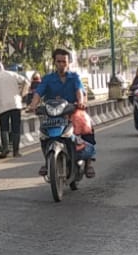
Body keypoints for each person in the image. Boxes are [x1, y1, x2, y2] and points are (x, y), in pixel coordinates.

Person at [26, 47, 95, 178]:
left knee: (87, 126)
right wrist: (33, 105)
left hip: (72, 111)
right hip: (52, 114)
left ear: (68, 63)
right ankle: (47, 161)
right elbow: (38, 93)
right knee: (44, 135)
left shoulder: (74, 77)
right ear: (54, 62)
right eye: (59, 61)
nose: (61, 64)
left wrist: (80, 102)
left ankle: (89, 162)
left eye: (64, 61)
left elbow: (79, 91)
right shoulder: (48, 79)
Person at [0, 59, 26, 157]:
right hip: (15, 104)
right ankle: (16, 151)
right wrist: (21, 93)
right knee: (16, 127)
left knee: (4, 127)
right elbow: (25, 81)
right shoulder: (11, 74)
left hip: (2, 107)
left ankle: (5, 148)